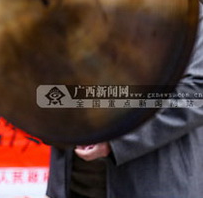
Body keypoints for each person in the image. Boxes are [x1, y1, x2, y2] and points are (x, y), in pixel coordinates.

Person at [46, 18, 203, 197]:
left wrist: (119, 141)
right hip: (72, 185)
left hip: (154, 185)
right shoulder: (74, 11)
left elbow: (196, 93)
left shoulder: (189, 17)